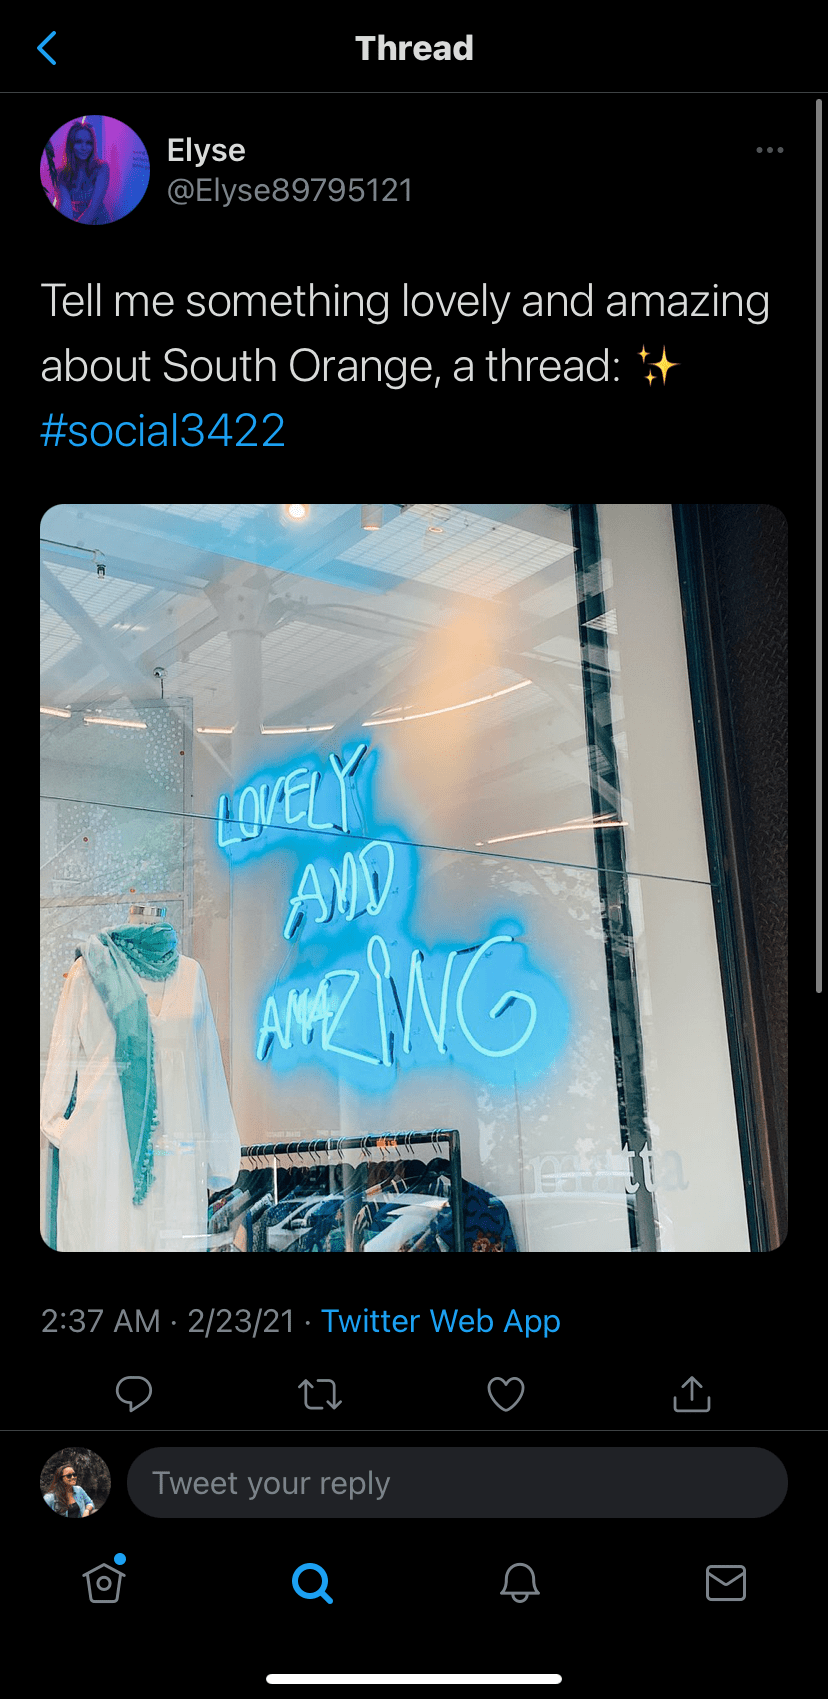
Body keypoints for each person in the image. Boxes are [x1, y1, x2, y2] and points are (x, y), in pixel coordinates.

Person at [54, 121, 110, 224]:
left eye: (88, 143)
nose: (84, 147)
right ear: (71, 145)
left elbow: (94, 208)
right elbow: (65, 208)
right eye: (79, 142)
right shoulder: (60, 173)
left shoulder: (102, 167)